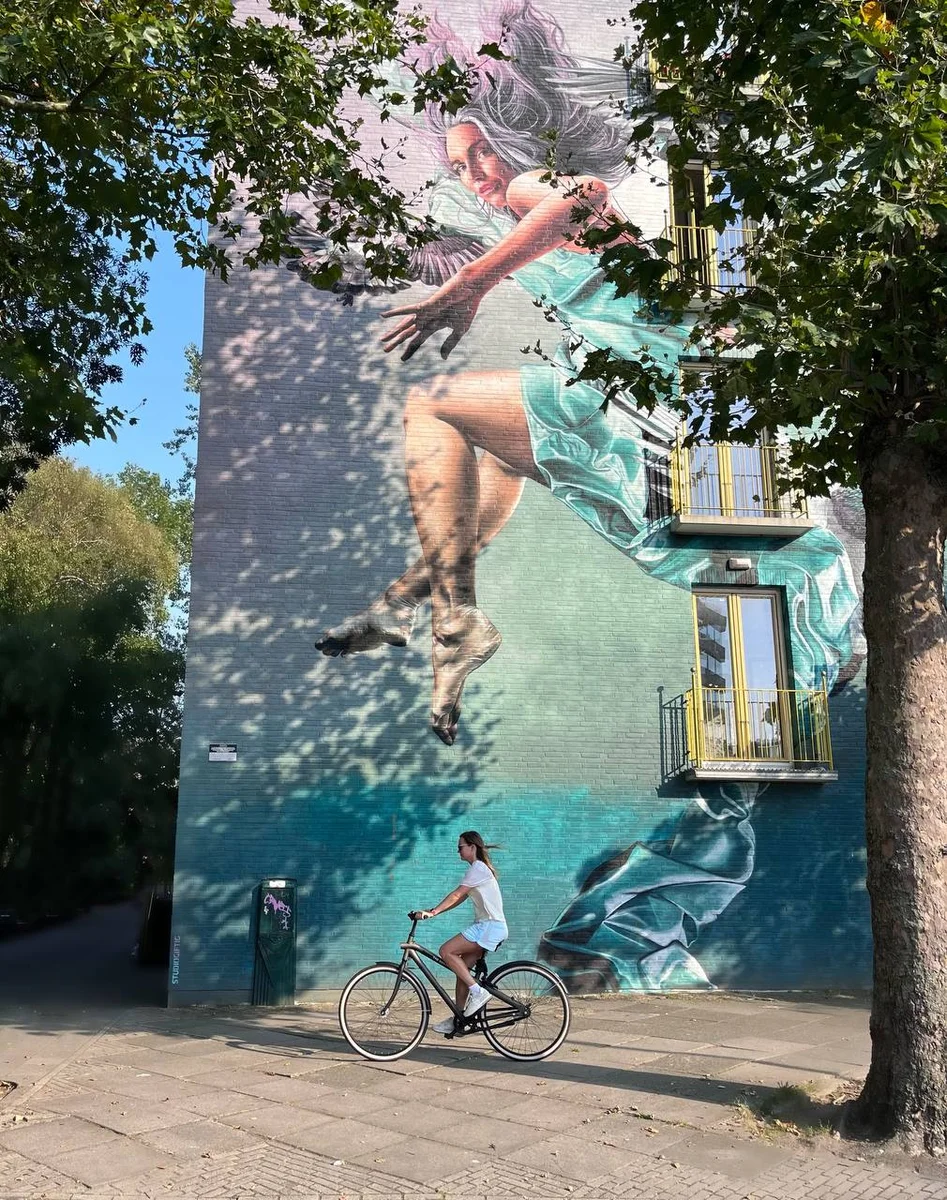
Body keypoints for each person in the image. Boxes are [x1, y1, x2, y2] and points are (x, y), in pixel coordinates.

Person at [416, 830, 507, 1033]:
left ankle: (479, 992)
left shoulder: (478, 868)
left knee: (446, 951)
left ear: (472, 847)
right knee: (462, 972)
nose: (458, 852)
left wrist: (432, 913)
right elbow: (459, 898)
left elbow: (457, 894)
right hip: (487, 927)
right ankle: (460, 1019)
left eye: (460, 847)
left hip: (489, 927)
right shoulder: (478, 870)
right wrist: (435, 911)